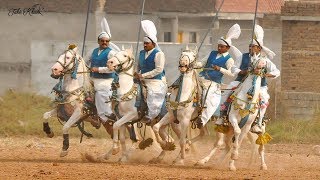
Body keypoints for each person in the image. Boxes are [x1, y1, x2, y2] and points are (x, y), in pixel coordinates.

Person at [196, 24, 241, 128]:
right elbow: (202, 63)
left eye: (222, 47)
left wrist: (220, 69)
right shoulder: (212, 53)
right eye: (219, 46)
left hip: (213, 83)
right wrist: (193, 64)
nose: (219, 48)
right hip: (201, 77)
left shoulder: (229, 59)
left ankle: (202, 119)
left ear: (228, 47)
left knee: (209, 98)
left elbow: (231, 73)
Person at [134, 20, 167, 125]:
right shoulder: (141, 53)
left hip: (155, 81)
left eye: (147, 43)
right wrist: (135, 73)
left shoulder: (159, 54)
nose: (145, 45)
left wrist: (143, 75)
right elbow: (138, 66)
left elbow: (159, 70)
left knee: (152, 94)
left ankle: (151, 115)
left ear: (153, 44)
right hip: (142, 79)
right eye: (144, 43)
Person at [89, 18, 118, 125]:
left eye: (106, 41)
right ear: (98, 41)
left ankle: (105, 115)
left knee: (101, 92)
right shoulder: (94, 51)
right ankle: (90, 112)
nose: (104, 42)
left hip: (106, 80)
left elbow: (112, 68)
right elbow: (86, 61)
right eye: (102, 41)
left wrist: (98, 69)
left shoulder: (111, 53)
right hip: (92, 78)